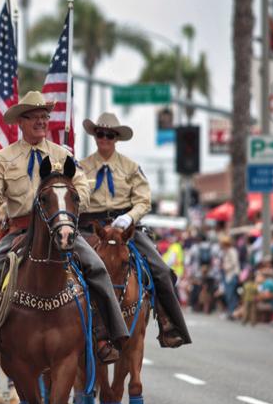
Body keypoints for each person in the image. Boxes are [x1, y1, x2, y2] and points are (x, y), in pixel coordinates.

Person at [0, 91, 129, 376]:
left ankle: (107, 334)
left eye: (45, 117)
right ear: (21, 122)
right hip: (19, 230)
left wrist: (74, 200)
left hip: (60, 228)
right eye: (35, 118)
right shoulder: (3, 158)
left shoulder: (62, 155)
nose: (42, 122)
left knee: (97, 267)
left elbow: (84, 189)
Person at [78, 112, 191, 348]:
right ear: (95, 135)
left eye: (109, 134)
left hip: (126, 229)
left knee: (161, 270)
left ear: (116, 138)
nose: (104, 138)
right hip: (92, 229)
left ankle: (167, 322)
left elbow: (144, 201)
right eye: (100, 133)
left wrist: (128, 217)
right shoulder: (81, 168)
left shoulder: (131, 168)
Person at [219, 235, 240, 319]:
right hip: (228, 275)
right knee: (229, 294)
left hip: (231, 275)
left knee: (231, 294)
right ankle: (231, 312)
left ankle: (232, 312)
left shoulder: (232, 251)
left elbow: (234, 262)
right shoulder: (226, 251)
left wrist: (225, 267)